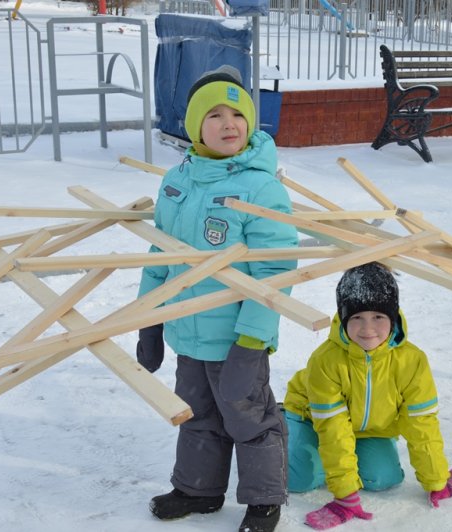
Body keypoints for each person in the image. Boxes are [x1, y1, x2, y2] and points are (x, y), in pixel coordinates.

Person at [135, 65, 298, 532]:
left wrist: (253, 341)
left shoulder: (261, 188)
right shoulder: (177, 181)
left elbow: (276, 270)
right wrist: (149, 320)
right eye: (215, 115)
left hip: (236, 338)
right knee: (197, 414)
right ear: (194, 127)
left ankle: (264, 499)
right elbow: (160, 254)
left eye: (238, 114)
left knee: (249, 418)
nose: (229, 124)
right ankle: (198, 489)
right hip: (189, 333)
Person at [283, 262, 452, 530]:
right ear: (343, 318)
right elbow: (333, 427)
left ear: (393, 318)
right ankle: (286, 427)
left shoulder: (412, 361)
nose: (367, 328)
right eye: (356, 317)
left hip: (370, 428)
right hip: (312, 419)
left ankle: (344, 457)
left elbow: (422, 423)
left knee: (383, 479)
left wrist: (436, 481)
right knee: (299, 480)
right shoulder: (325, 361)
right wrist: (344, 493)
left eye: (378, 317)